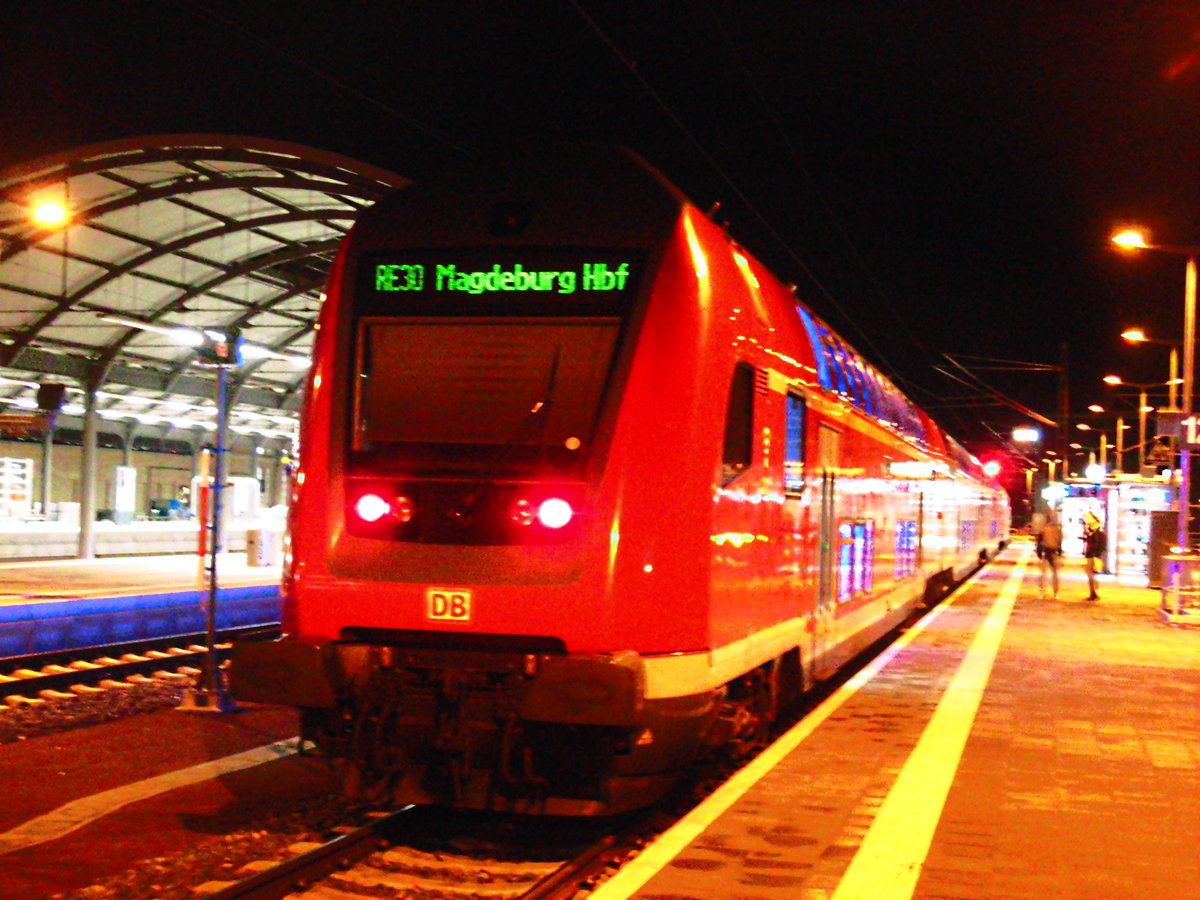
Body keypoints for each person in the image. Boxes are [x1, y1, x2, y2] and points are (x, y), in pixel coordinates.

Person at [1035, 510, 1063, 599]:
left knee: (1045, 573)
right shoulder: (1057, 529)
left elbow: (1039, 541)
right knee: (1052, 573)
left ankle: (1044, 592)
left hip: (1047, 552)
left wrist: (1039, 552)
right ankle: (1054, 592)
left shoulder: (1044, 528)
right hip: (1052, 552)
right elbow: (1059, 542)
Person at [1083, 511, 1107, 601]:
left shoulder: (1095, 532)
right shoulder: (1094, 532)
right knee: (1090, 574)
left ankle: (1093, 593)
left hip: (1092, 555)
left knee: (1090, 575)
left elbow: (1094, 544)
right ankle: (1093, 592)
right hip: (1092, 555)